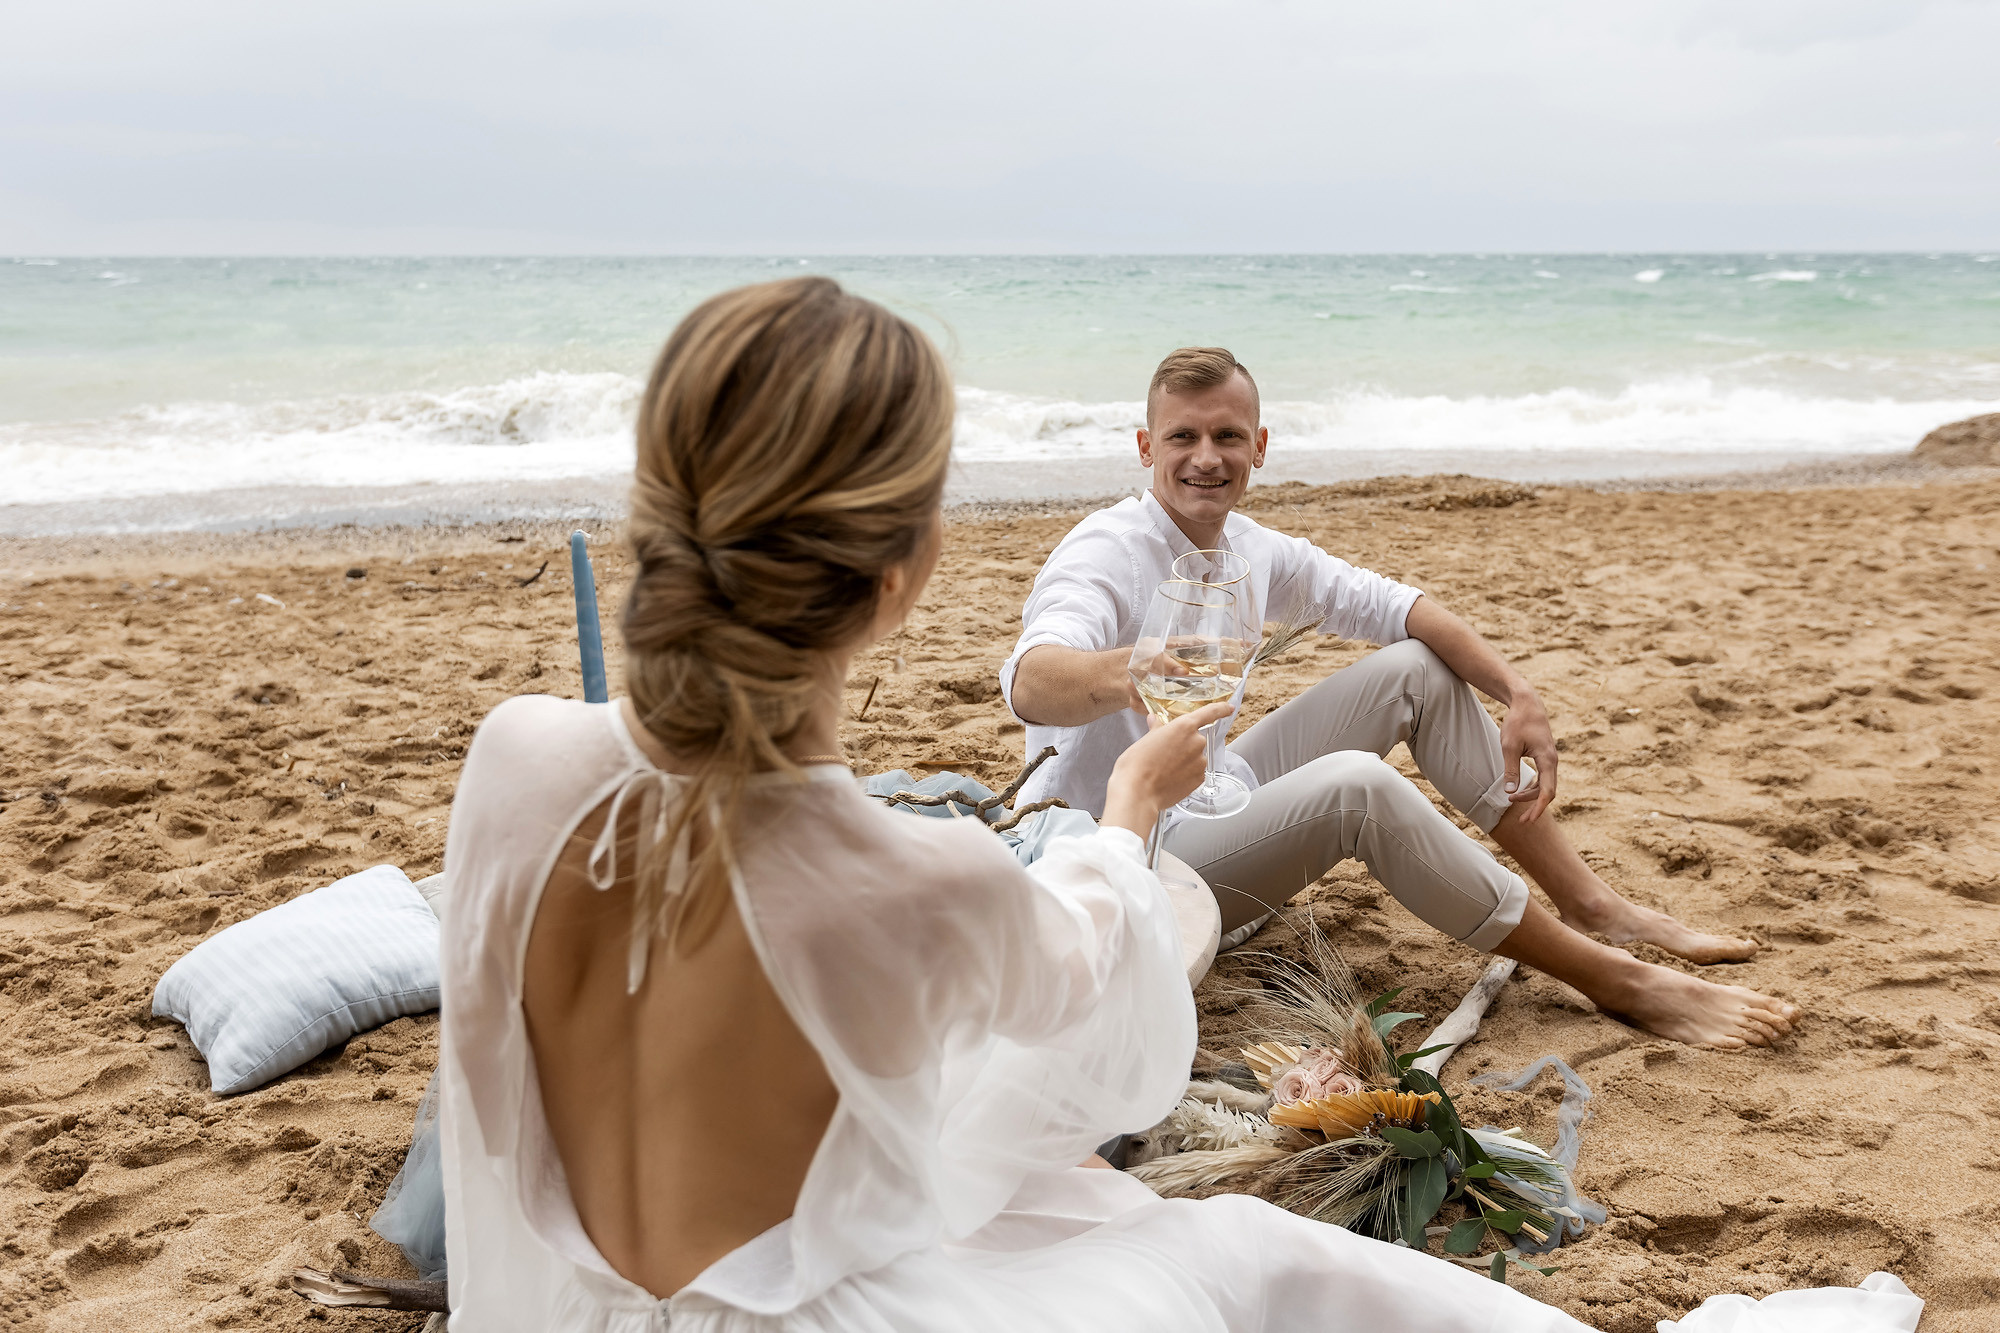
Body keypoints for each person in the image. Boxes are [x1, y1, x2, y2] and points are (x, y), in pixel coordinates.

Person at [435, 279, 1596, 1330]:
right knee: (1238, 1255)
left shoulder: (512, 753)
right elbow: (1107, 1056)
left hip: (561, 1306)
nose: (1203, 455)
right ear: (900, 576)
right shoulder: (915, 874)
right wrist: (1130, 813)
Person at [1001, 347, 1798, 1051]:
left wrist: (1517, 690)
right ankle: (1617, 978)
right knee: (1358, 789)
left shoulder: (1252, 547)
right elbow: (1031, 682)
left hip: (1210, 795)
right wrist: (1133, 670)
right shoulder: (1107, 549)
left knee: (1416, 666)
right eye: (1182, 436)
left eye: (1227, 436)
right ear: (1146, 447)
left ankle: (1592, 903)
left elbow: (1395, 606)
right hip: (1124, 856)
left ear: (1260, 447)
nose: (1206, 457)